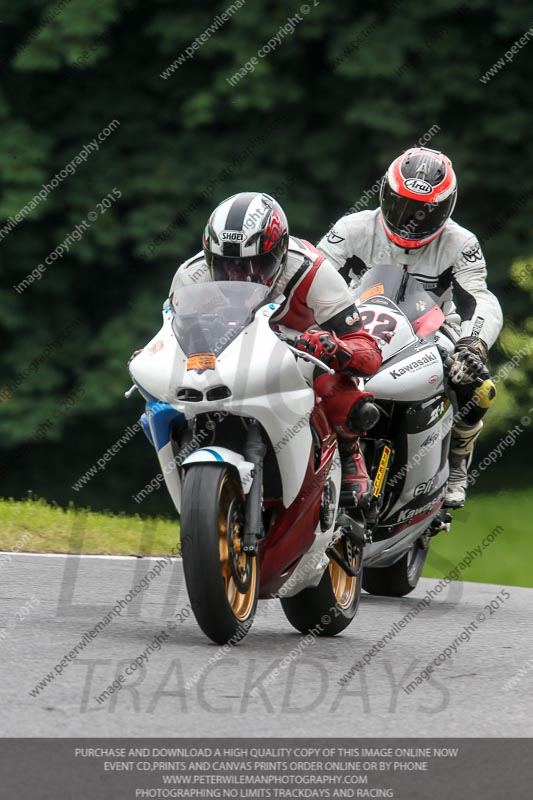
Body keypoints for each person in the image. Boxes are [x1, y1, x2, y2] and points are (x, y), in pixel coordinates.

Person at [169, 191, 382, 507]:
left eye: (254, 264)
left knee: (345, 398)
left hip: (296, 350)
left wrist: (334, 348)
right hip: (223, 353)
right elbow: (171, 334)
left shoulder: (311, 272)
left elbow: (367, 349)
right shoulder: (191, 275)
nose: (239, 276)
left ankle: (350, 457)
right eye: (226, 265)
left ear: (280, 252)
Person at [317, 147, 503, 508]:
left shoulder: (461, 243)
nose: (410, 221)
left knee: (480, 386)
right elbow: (311, 276)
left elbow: (479, 299)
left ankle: (459, 460)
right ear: (385, 194)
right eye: (401, 206)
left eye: (424, 212)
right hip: (358, 324)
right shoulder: (351, 229)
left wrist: (473, 344)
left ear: (446, 209)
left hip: (433, 331)